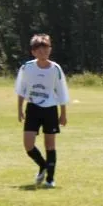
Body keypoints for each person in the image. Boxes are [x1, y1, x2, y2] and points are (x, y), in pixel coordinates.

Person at [15, 33, 70, 188]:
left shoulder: (55, 69)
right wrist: (19, 109)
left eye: (46, 49)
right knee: (28, 144)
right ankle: (43, 165)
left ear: (50, 50)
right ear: (33, 52)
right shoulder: (27, 67)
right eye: (39, 50)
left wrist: (63, 114)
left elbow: (61, 91)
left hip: (50, 109)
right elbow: (21, 89)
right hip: (33, 108)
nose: (43, 53)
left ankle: (50, 179)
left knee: (50, 145)